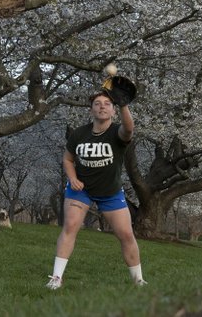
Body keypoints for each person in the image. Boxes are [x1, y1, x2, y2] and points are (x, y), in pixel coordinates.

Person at [48, 73, 145, 288]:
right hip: (80, 190)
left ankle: (138, 281)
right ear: (91, 109)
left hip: (110, 192)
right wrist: (72, 178)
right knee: (71, 226)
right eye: (97, 104)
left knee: (126, 234)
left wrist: (124, 105)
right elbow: (67, 158)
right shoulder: (79, 134)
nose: (102, 107)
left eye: (107, 104)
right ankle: (56, 278)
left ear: (113, 109)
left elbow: (129, 130)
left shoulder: (116, 133)